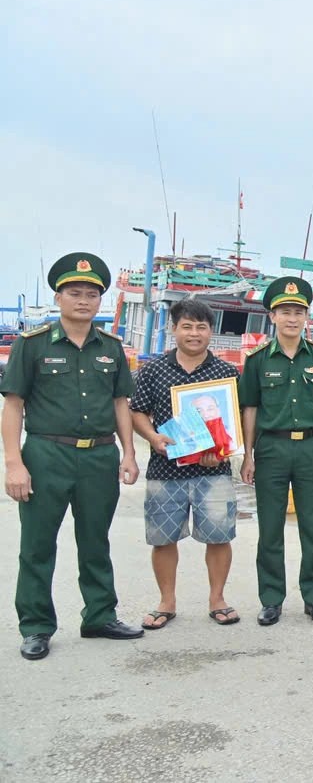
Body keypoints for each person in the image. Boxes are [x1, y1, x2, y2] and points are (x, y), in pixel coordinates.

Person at [2, 253, 142, 660]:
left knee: (95, 541)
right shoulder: (32, 346)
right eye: (74, 292)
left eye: (92, 294)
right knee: (37, 545)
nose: (83, 300)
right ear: (59, 297)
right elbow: (13, 405)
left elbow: (121, 403)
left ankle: (99, 615)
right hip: (47, 454)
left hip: (99, 457)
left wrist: (129, 453)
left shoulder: (112, 349)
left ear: (100, 301)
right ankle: (36, 626)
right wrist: (14, 463)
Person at [129, 299, 242, 630]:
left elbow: (232, 421)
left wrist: (223, 450)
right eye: (187, 326)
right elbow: (137, 411)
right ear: (173, 328)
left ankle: (217, 599)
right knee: (163, 538)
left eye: (202, 327)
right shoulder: (152, 370)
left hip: (214, 470)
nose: (195, 334)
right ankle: (167, 602)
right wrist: (153, 437)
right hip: (166, 471)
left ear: (211, 332)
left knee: (219, 536)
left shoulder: (226, 373)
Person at [238, 277, 313, 626]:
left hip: (312, 447)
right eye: (285, 312)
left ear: (306, 317)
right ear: (273, 316)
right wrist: (248, 455)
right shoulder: (256, 361)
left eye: (298, 312)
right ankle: (271, 598)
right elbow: (249, 408)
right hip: (272, 449)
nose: (292, 318)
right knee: (270, 528)